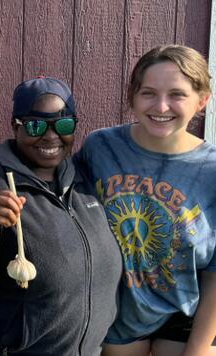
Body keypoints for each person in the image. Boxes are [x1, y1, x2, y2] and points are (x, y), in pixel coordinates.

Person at [0, 77, 122, 355]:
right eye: (35, 125)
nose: (51, 137)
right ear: (15, 127)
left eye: (63, 125)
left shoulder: (86, 181)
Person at [76, 45, 216, 356]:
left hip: (187, 312)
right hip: (120, 309)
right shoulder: (101, 147)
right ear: (133, 97)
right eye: (149, 93)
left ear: (202, 100)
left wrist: (199, 348)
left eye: (177, 94)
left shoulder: (212, 171)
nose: (161, 106)